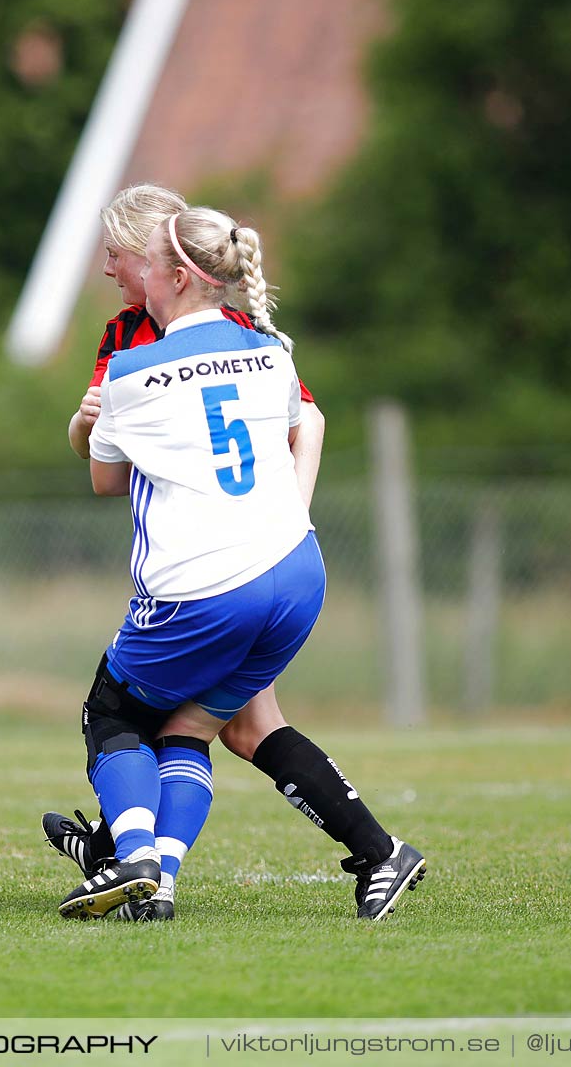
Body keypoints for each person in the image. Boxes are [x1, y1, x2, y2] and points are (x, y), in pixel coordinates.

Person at [55, 203, 425, 923]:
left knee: (117, 713)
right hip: (294, 573)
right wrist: (287, 525)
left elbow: (105, 479)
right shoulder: (268, 348)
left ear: (173, 272)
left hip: (211, 581)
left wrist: (84, 423)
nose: (110, 270)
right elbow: (298, 419)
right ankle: (376, 853)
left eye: (124, 257)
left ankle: (131, 859)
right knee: (216, 727)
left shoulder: (132, 363)